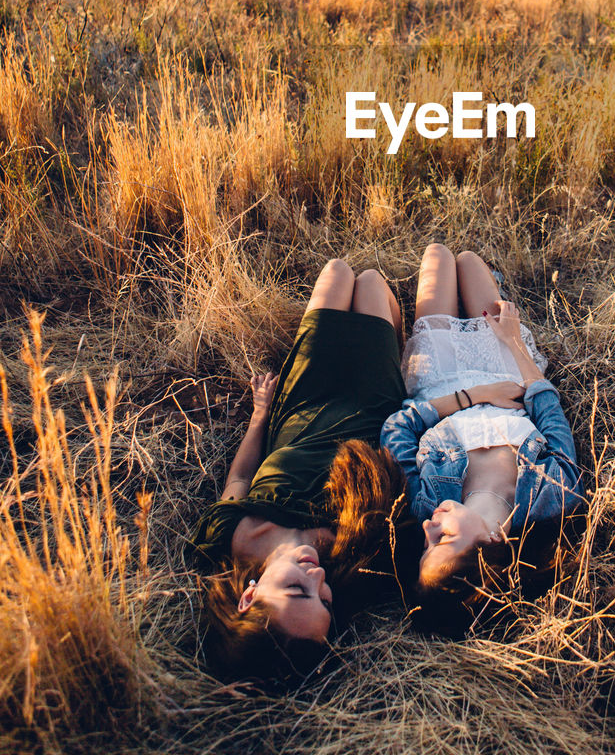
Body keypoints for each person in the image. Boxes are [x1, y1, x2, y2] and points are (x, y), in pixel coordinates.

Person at [187, 259, 412, 680]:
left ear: (248, 598)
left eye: (297, 590)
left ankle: (389, 338)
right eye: (325, 601)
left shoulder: (227, 541)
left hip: (302, 404)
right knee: (371, 284)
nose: (318, 580)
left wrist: (260, 414)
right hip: (370, 406)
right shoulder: (351, 556)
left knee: (338, 272)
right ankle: (396, 347)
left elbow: (238, 479)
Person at [380, 245, 584, 629]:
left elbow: (396, 429)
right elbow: (548, 409)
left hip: (440, 379)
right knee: (470, 261)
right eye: (442, 542)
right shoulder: (555, 495)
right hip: (507, 364)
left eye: (426, 546)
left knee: (437, 256)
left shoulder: (425, 504)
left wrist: (472, 396)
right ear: (490, 544)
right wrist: (512, 340)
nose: (428, 530)